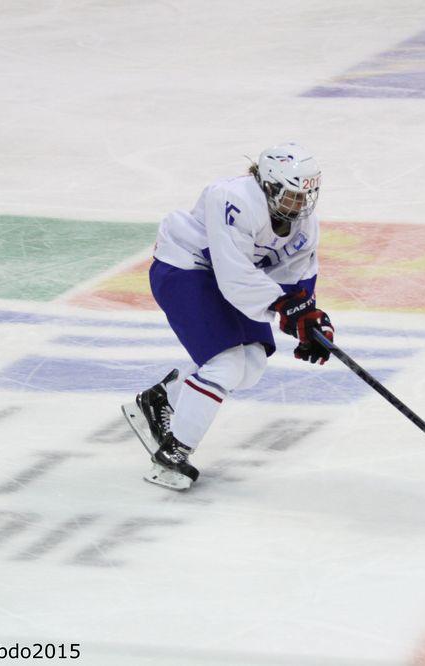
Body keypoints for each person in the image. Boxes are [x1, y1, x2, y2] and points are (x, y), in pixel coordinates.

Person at [122, 142, 335, 490]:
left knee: (250, 364)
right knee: (226, 364)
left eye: (306, 195)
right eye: (292, 195)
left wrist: (309, 322)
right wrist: (284, 309)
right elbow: (233, 276)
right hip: (185, 270)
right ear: (268, 186)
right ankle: (174, 451)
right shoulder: (233, 198)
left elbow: (298, 280)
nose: (301, 205)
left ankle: (162, 398)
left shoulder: (305, 225)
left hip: (232, 281)